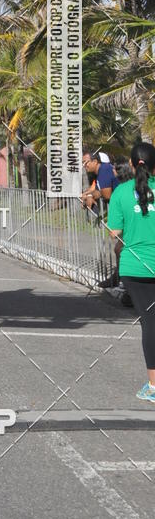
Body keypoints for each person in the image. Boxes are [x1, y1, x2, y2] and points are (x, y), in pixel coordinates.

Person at [107, 142, 155, 403]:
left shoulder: (121, 193)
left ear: (130, 161)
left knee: (150, 323)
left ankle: (153, 385)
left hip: (136, 269)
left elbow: (115, 233)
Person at [82, 148, 118, 212]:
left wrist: (90, 196)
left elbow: (107, 195)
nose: (84, 165)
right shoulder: (101, 172)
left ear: (95, 162)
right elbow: (94, 187)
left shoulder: (104, 170)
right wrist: (85, 194)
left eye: (85, 162)